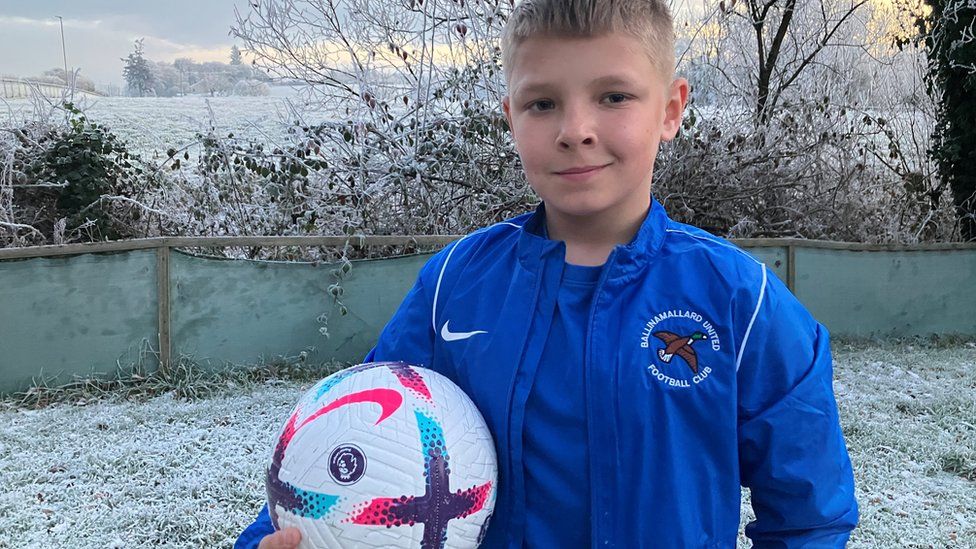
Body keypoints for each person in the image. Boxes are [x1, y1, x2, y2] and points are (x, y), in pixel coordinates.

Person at [237, 0, 859, 547]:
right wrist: (278, 536)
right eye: (543, 103)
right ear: (511, 116)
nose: (575, 131)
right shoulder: (454, 287)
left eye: (614, 96)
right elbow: (353, 431)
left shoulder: (741, 303)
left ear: (670, 110)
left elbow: (810, 518)